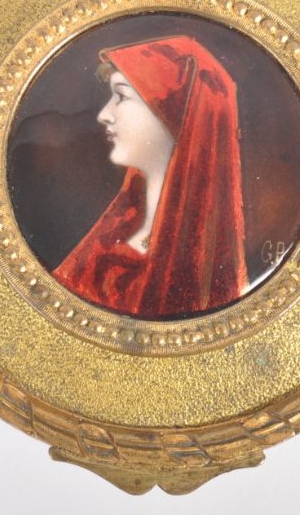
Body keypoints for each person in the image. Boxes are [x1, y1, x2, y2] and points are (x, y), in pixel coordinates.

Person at [52, 34, 248, 319]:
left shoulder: (199, 264)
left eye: (121, 96)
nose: (104, 115)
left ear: (174, 116)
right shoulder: (113, 234)